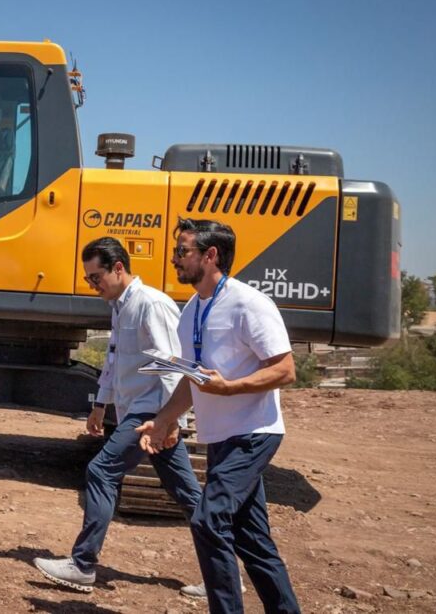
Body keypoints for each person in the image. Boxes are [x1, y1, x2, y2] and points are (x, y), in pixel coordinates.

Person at [137, 218, 301, 614]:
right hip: (220, 437)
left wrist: (230, 387)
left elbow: (285, 370)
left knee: (208, 521)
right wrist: (165, 420)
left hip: (253, 433)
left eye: (182, 251)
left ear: (210, 255)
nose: (174, 258)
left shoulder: (249, 303)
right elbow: (192, 378)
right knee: (252, 540)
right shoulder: (191, 310)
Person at [32, 237, 203, 593]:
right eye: (88, 279)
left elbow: (173, 365)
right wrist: (100, 404)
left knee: (101, 470)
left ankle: (82, 564)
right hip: (140, 411)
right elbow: (113, 358)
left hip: (151, 413)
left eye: (96, 277)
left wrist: (172, 421)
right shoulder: (120, 306)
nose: (92, 285)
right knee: (187, 493)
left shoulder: (150, 304)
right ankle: (224, 574)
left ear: (119, 268)